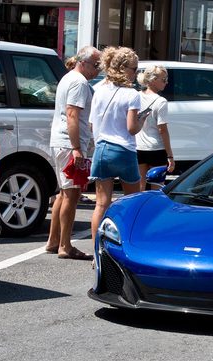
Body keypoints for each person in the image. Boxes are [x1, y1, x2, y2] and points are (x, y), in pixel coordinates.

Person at [45, 45, 100, 261]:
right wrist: (77, 148)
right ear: (83, 63)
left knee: (64, 192)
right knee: (71, 193)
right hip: (70, 143)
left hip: (65, 142)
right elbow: (72, 115)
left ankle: (53, 240)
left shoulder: (70, 78)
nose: (98, 69)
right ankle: (65, 245)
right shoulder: (79, 82)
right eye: (96, 65)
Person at [89, 46, 144, 245]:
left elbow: (92, 123)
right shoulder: (132, 94)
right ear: (123, 68)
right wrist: (142, 120)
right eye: (134, 69)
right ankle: (130, 245)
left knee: (101, 204)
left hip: (102, 148)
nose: (136, 73)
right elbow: (132, 128)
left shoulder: (99, 90)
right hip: (124, 150)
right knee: (132, 203)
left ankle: (97, 251)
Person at [136, 65, 174, 191]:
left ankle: (139, 210)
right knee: (156, 187)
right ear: (153, 80)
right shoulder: (161, 101)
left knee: (139, 186)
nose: (166, 82)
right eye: (164, 79)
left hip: (138, 146)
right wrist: (170, 156)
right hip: (156, 148)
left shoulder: (136, 96)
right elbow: (162, 130)